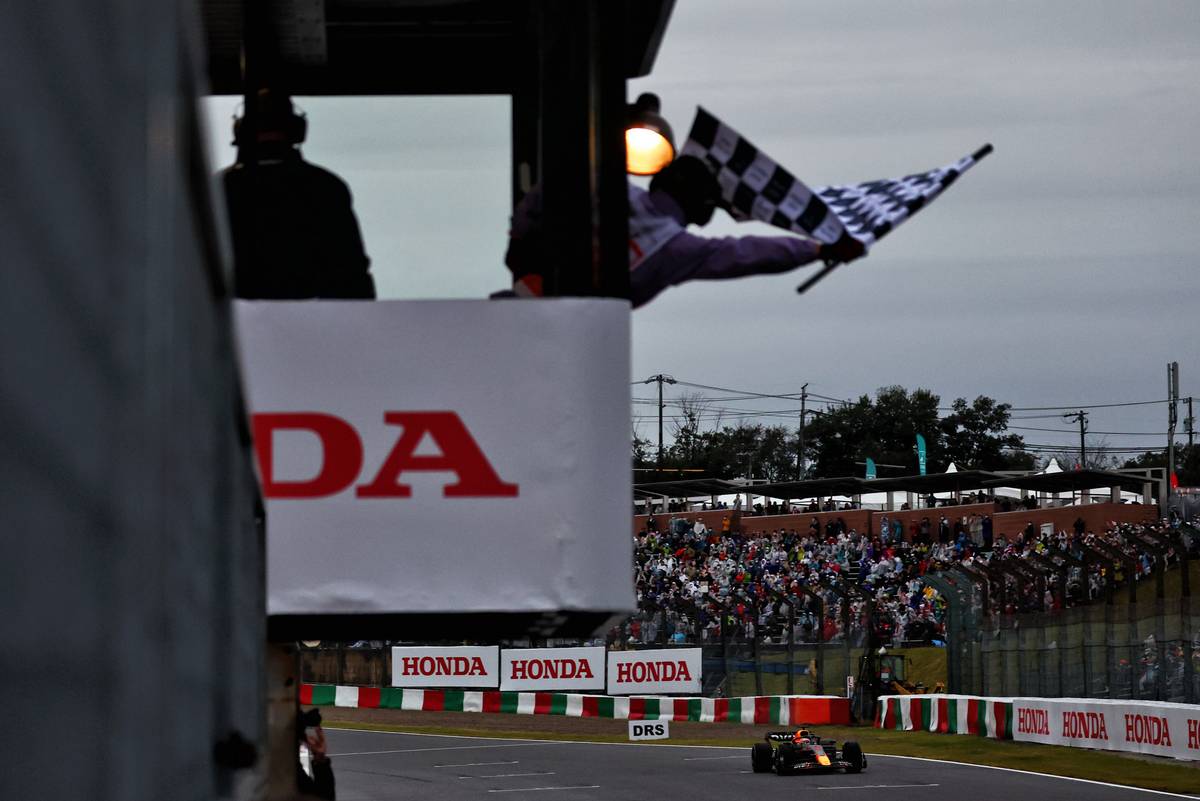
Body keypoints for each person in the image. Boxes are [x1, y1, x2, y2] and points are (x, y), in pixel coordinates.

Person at [503, 155, 866, 307]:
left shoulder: (609, 188)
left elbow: (548, 188)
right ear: (702, 204)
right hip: (571, 334)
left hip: (521, 301)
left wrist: (520, 239)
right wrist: (819, 250)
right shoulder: (677, 249)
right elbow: (747, 253)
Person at [222, 89, 374, 300]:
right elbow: (351, 269)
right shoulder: (325, 186)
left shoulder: (220, 187)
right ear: (297, 131)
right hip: (313, 321)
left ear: (240, 132)